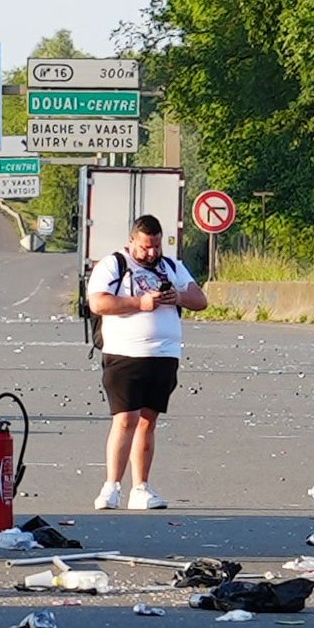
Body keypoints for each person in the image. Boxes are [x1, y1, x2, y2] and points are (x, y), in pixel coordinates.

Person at [85, 215, 208, 511]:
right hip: (124, 354)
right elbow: (98, 303)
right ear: (132, 242)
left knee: (148, 421)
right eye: (144, 247)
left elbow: (200, 299)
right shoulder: (114, 264)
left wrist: (176, 296)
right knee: (125, 419)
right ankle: (111, 487)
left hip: (164, 355)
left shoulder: (172, 266)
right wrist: (140, 303)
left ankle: (141, 487)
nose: (151, 253)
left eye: (155, 246)